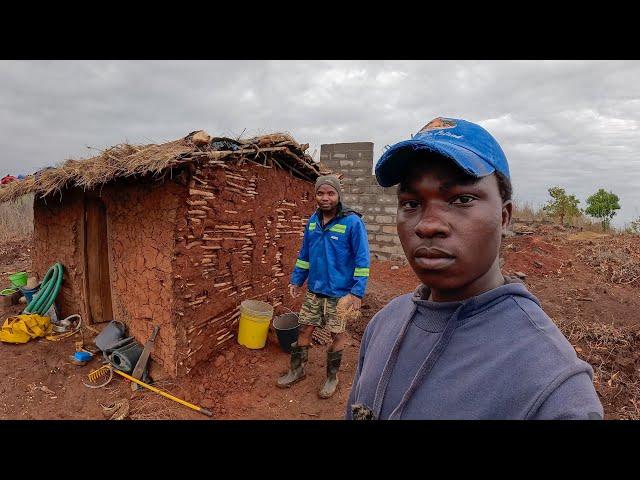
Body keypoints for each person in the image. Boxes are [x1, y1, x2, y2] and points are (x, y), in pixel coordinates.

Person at [345, 117, 603, 419]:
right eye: (411, 203)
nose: (428, 225)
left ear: (505, 217)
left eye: (462, 199)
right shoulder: (383, 323)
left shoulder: (551, 387)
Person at [278, 175, 370, 399]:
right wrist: (297, 279)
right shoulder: (313, 221)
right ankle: (297, 370)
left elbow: (362, 260)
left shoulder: (352, 223)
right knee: (304, 329)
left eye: (330, 193)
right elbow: (305, 255)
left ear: (338, 195)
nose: (325, 198)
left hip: (340, 295)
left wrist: (357, 292)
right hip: (315, 291)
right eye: (321, 193)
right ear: (315, 195)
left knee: (337, 334)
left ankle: (332, 377)